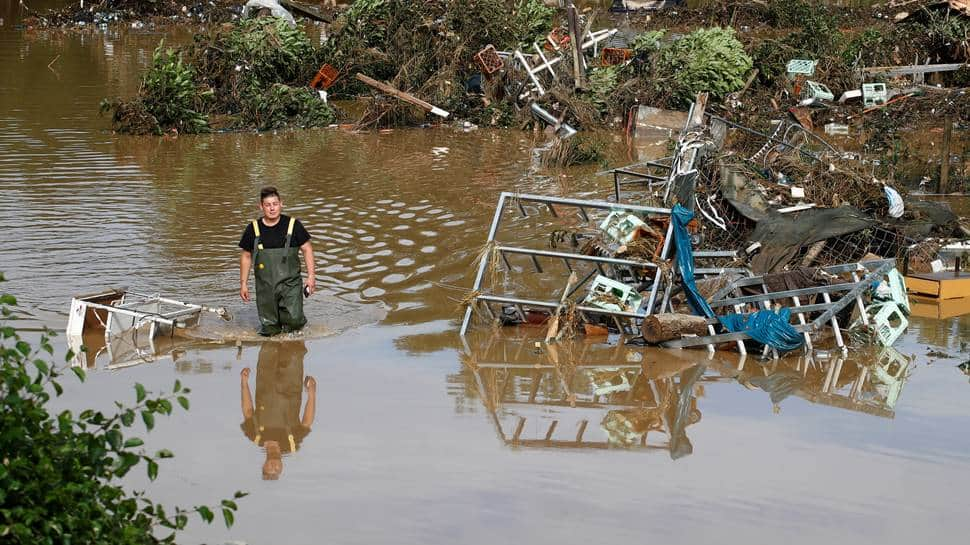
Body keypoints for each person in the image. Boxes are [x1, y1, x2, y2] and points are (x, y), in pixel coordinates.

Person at [238, 186, 315, 336]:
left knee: (295, 320)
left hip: (290, 284)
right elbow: (246, 256)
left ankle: (293, 348)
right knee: (269, 327)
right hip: (265, 286)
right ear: (261, 206)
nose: (272, 208)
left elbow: (307, 249)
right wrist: (243, 284)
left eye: (275, 204)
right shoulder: (253, 228)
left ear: (281, 204)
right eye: (268, 205)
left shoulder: (294, 225)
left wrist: (311, 276)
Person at [240, 341, 316, 480]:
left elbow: (248, 411)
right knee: (295, 346)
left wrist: (244, 383)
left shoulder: (256, 436)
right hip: (291, 382)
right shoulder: (292, 443)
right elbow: (307, 422)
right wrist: (312, 393)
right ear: (282, 467)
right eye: (277, 470)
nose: (274, 467)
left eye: (270, 469)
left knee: (269, 343)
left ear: (263, 465)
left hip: (265, 380)